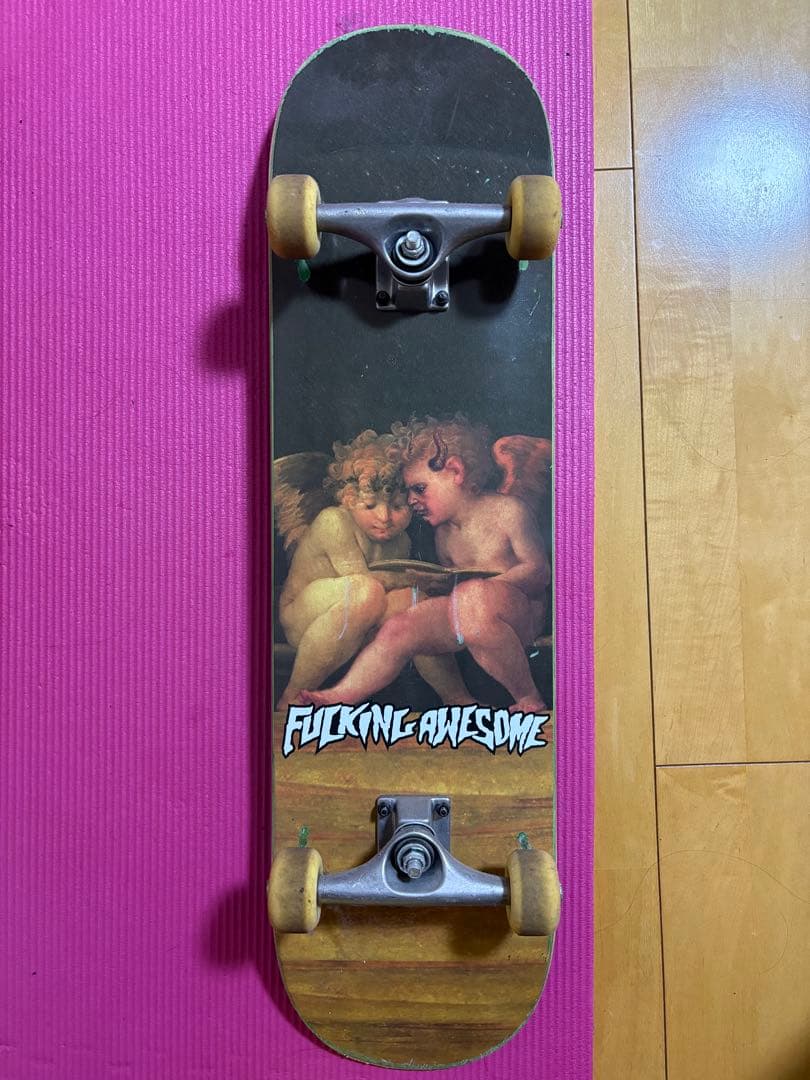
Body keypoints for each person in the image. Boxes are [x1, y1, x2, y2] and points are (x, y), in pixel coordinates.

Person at [299, 416, 549, 712]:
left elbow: (538, 571)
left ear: (455, 471)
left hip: (521, 616)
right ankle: (342, 694)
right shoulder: (444, 534)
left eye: (419, 488)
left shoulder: (508, 511)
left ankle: (528, 697)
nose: (412, 501)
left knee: (471, 598)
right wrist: (438, 584)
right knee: (401, 626)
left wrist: (484, 587)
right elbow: (454, 588)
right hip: (467, 613)